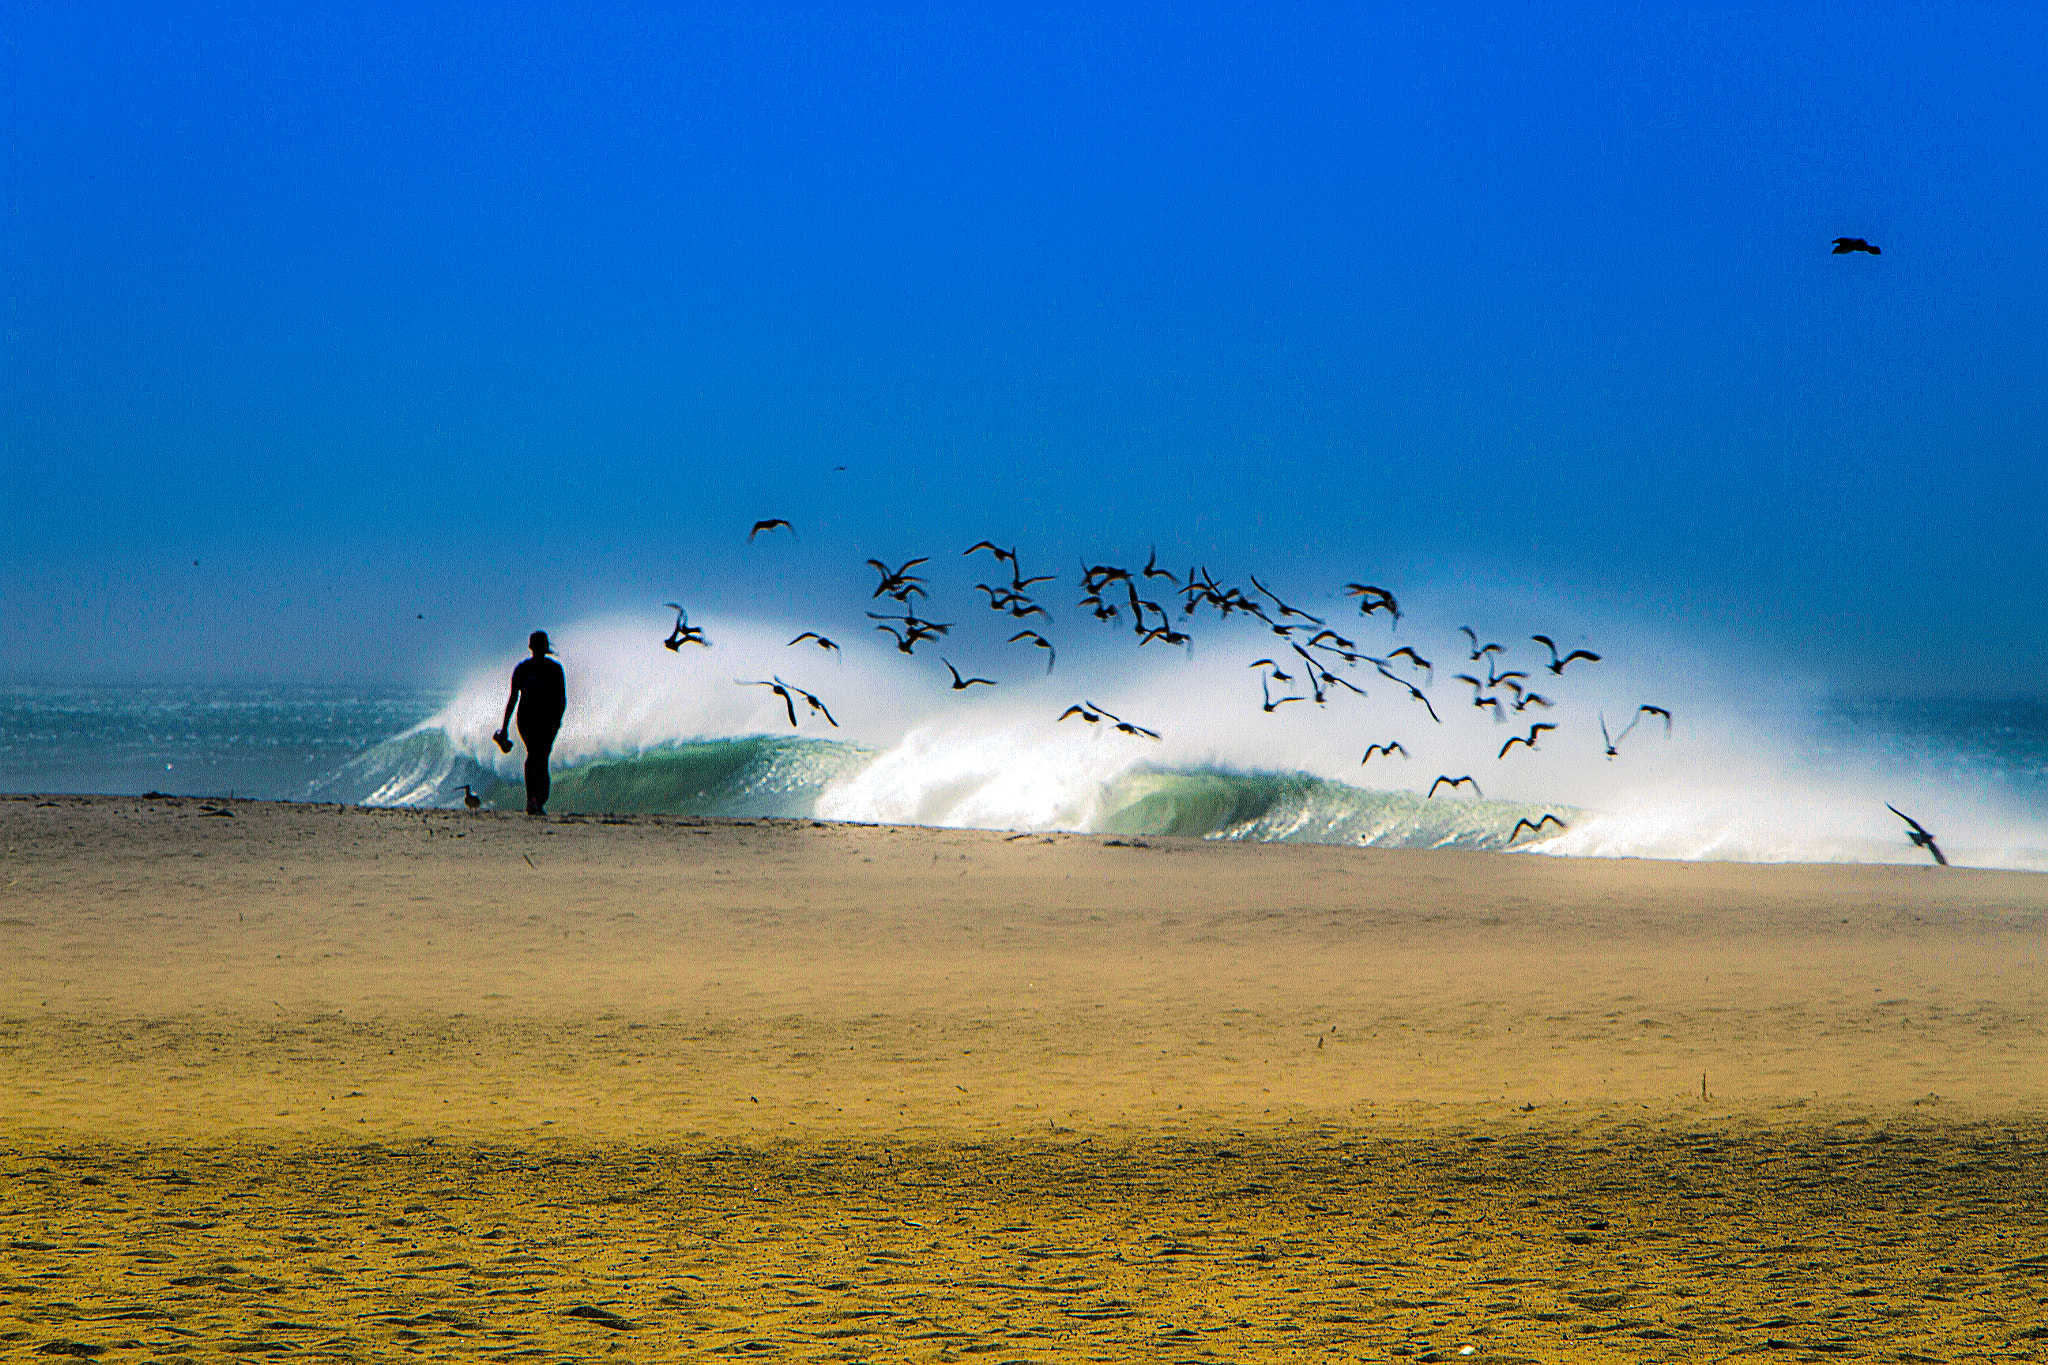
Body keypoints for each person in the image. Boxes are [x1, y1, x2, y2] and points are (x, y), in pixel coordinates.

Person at [494, 631, 566, 816]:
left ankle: (536, 800)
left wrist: (556, 721)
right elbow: (512, 699)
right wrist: (504, 728)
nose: (538, 649)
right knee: (536, 755)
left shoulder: (555, 669)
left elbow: (561, 699)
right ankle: (534, 799)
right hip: (527, 719)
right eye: (537, 646)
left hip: (547, 720)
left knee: (541, 758)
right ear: (532, 647)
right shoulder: (522, 669)